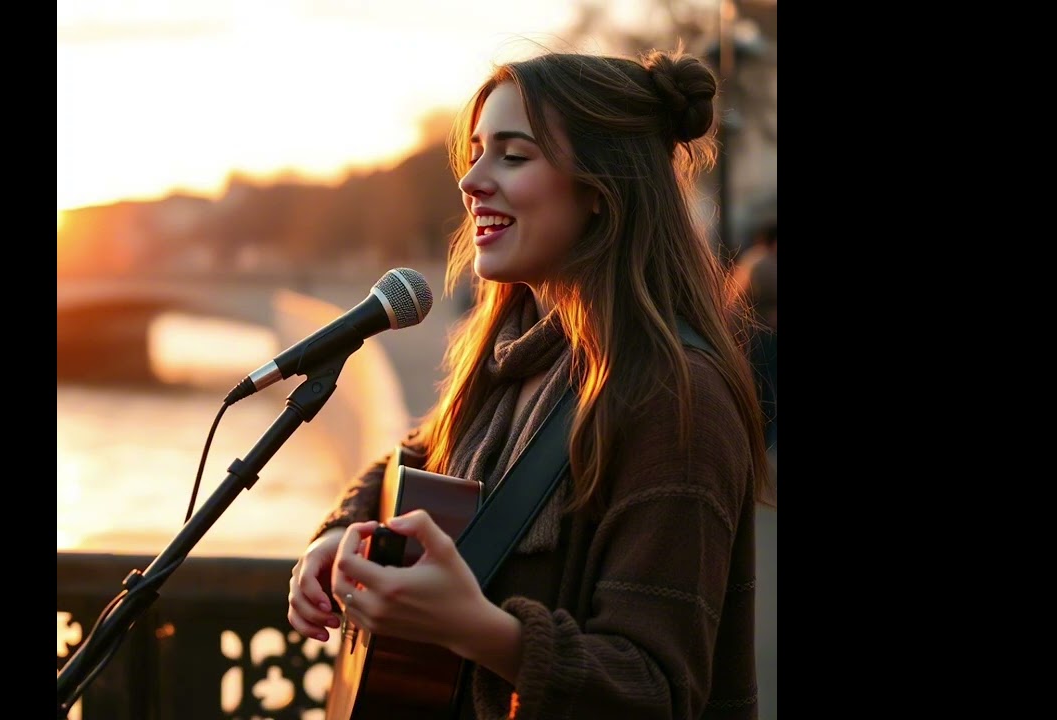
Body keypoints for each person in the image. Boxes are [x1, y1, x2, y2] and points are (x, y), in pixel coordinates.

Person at [287, 46, 772, 719]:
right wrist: (342, 530)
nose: (472, 181)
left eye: (513, 155)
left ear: (603, 190)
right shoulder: (511, 352)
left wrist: (479, 629)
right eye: (477, 153)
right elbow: (420, 455)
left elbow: (658, 691)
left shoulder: (675, 400)